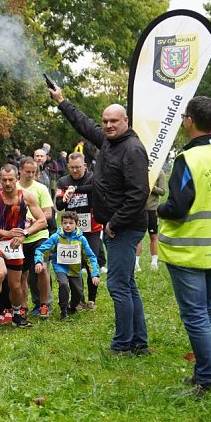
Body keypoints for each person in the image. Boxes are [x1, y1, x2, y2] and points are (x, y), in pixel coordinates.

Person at [51, 85, 151, 355]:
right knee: (127, 284)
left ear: (126, 121)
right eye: (105, 121)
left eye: (114, 121)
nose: (108, 125)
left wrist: (114, 223)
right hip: (116, 225)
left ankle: (123, 344)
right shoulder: (109, 141)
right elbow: (84, 124)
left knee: (118, 285)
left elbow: (139, 194)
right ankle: (138, 342)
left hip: (124, 228)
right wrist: (61, 101)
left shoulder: (132, 149)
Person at [158, 96, 211, 396]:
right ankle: (205, 372)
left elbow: (177, 207)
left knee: (195, 316)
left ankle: (208, 379)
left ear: (189, 120)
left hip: (190, 249)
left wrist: (157, 209)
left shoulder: (188, 160)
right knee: (206, 311)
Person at [0, 165, 46, 329]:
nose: (8, 183)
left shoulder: (27, 196)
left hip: (14, 245)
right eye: (4, 180)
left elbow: (42, 220)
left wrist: (24, 234)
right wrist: (6, 233)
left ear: (17, 178)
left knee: (15, 284)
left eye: (11, 179)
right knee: (0, 272)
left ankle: (16, 315)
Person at [55, 152, 103, 309]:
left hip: (92, 228)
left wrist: (75, 189)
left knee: (91, 261)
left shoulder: (93, 177)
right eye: (72, 168)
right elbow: (59, 206)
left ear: (85, 166)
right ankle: (79, 299)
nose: (75, 171)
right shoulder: (63, 181)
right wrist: (66, 197)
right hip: (71, 230)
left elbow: (96, 188)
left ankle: (92, 300)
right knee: (74, 263)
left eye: (78, 167)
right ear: (68, 167)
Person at [34, 211, 100, 320]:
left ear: (76, 224)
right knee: (64, 285)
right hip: (61, 268)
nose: (68, 225)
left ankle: (72, 306)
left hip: (75, 270)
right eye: (65, 223)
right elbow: (41, 250)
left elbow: (90, 257)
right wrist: (38, 261)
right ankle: (63, 310)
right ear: (61, 224)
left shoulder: (81, 239)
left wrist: (94, 274)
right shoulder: (56, 237)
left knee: (78, 293)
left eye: (71, 223)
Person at [18, 157, 55, 317]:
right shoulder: (13, 187)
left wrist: (35, 219)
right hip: (19, 237)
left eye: (33, 172)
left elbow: (48, 213)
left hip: (40, 234)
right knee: (22, 274)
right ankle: (23, 306)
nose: (31, 174)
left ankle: (45, 304)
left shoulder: (41, 188)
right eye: (27, 171)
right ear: (20, 170)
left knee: (41, 269)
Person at [136, 170, 166, 272]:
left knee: (153, 235)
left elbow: (163, 191)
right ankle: (136, 263)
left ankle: (154, 262)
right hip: (139, 208)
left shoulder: (160, 172)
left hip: (152, 209)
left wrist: (151, 187)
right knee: (138, 235)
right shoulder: (140, 168)